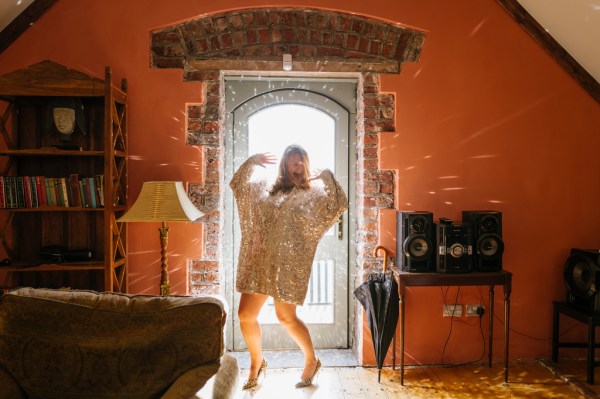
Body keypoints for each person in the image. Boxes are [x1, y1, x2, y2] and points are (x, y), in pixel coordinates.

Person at [230, 144, 348, 389]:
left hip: (289, 265)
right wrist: (252, 161)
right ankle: (256, 362)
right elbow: (238, 186)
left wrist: (326, 175)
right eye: (293, 162)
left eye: (301, 163)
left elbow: (339, 203)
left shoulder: (312, 195)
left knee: (285, 316)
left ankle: (311, 360)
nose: (297, 167)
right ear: (284, 164)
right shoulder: (266, 189)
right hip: (260, 262)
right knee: (245, 315)